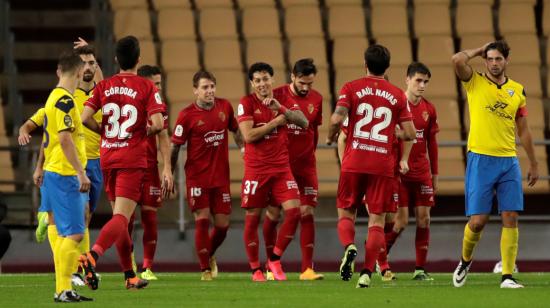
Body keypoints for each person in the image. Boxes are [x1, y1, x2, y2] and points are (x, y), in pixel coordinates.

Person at [78, 36, 167, 290]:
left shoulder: (104, 86)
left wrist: (105, 132)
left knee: (122, 220)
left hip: (108, 157)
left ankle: (129, 275)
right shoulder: (146, 87)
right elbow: (159, 124)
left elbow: (85, 118)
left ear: (116, 60)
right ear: (139, 60)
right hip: (131, 158)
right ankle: (91, 256)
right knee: (121, 218)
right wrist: (140, 132)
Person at [326, 45, 415, 288]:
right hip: (382, 165)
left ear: (364, 64)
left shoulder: (351, 87)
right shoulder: (398, 95)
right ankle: (366, 273)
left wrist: (330, 136)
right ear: (387, 68)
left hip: (354, 162)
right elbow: (410, 133)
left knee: (346, 212)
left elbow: (336, 119)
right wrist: (393, 130)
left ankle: (349, 246)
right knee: (377, 221)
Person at [451, 40, 538, 289]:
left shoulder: (517, 90)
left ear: (506, 61)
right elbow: (457, 60)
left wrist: (533, 161)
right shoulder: (474, 82)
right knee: (478, 221)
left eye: (498, 58)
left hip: (508, 161)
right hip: (480, 159)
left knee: (510, 215)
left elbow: (524, 129)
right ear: (484, 60)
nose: (494, 63)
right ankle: (465, 260)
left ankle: (507, 276)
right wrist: (479, 50)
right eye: (489, 59)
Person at [237, 62, 308, 282]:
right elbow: (249, 136)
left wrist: (283, 110)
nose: (262, 84)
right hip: (256, 170)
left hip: (281, 168)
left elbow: (304, 122)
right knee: (252, 218)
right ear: (252, 83)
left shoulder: (283, 100)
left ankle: (274, 259)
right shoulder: (246, 103)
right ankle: (255, 269)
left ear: (272, 79)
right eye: (257, 80)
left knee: (295, 212)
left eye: (265, 79)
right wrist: (277, 121)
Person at [170, 70, 242, 281]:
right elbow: (175, 147)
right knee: (202, 220)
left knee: (222, 226)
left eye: (212, 86)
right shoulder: (186, 115)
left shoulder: (225, 107)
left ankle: (208, 254)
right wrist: (169, 174)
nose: (209, 91)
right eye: (204, 87)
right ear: (195, 91)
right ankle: (205, 270)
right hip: (197, 177)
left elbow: (235, 130)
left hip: (220, 178)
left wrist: (244, 150)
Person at [263, 58, 324, 280]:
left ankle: (307, 269)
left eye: (310, 83)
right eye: (301, 83)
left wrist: (311, 154)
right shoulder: (277, 95)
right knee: (274, 212)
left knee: (307, 212)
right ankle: (271, 263)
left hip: (306, 165)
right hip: (281, 165)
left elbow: (314, 130)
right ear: (292, 77)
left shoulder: (317, 98)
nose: (306, 88)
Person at [42, 50, 92, 302]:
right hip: (64, 173)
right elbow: (64, 139)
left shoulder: (53, 97)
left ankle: (64, 290)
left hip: (56, 171)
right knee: (75, 234)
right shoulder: (65, 100)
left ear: (59, 71)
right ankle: (63, 288)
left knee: (66, 233)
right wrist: (81, 173)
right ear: (80, 72)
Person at [383, 62, 439, 281]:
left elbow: (432, 144)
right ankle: (381, 259)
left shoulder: (429, 109)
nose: (422, 85)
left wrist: (435, 175)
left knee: (424, 219)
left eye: (425, 82)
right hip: (399, 173)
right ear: (407, 79)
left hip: (422, 172)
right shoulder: (396, 105)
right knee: (401, 221)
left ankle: (419, 269)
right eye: (418, 80)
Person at [126, 64, 173, 281]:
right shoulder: (128, 101)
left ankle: (147, 266)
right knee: (125, 218)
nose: (158, 88)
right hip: (127, 167)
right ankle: (128, 259)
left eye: (160, 84)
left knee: (150, 217)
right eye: (154, 84)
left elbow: (163, 136)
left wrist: (167, 168)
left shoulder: (158, 105)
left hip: (149, 168)